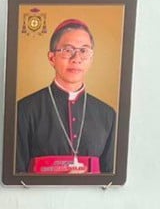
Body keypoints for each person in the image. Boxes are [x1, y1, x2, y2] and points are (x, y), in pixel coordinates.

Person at [14, 19, 118, 175]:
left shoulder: (107, 114)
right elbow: (16, 173)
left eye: (84, 51)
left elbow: (111, 178)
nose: (76, 58)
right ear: (51, 58)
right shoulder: (25, 109)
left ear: (91, 59)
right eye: (67, 50)